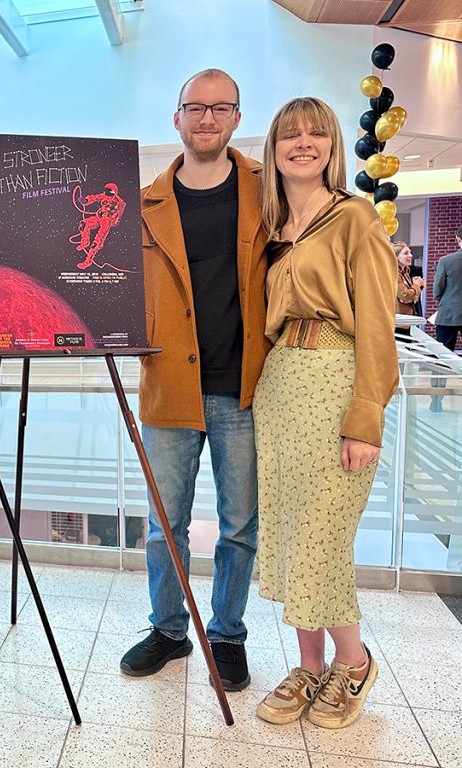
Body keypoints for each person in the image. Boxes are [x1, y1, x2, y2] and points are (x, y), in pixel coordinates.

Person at [120, 69, 268, 691]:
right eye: (195, 107)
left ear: (236, 117)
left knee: (239, 524)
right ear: (176, 118)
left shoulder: (269, 191)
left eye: (220, 107)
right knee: (164, 523)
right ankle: (169, 630)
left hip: (245, 387)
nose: (207, 118)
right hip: (168, 386)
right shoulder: (143, 200)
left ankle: (227, 633)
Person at [252, 97, 398, 730]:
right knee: (287, 534)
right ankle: (310, 666)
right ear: (275, 148)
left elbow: (378, 326)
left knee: (323, 537)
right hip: (280, 387)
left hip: (336, 381)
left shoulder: (355, 218)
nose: (302, 143)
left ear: (333, 144)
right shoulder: (271, 224)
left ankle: (354, 660)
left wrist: (365, 418)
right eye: (290, 134)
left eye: (316, 133)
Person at [431, 226, 462, 411]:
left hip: (448, 314)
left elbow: (436, 290)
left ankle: (436, 402)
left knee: (441, 358)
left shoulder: (446, 260)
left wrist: (447, 301)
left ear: (458, 238)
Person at [392, 242, 424, 317]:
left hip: (407, 318)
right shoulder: (395, 274)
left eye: (410, 252)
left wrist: (412, 296)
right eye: (406, 253)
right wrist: (416, 285)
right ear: (396, 257)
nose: (410, 255)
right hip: (399, 320)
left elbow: (413, 297)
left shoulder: (405, 273)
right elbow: (405, 296)